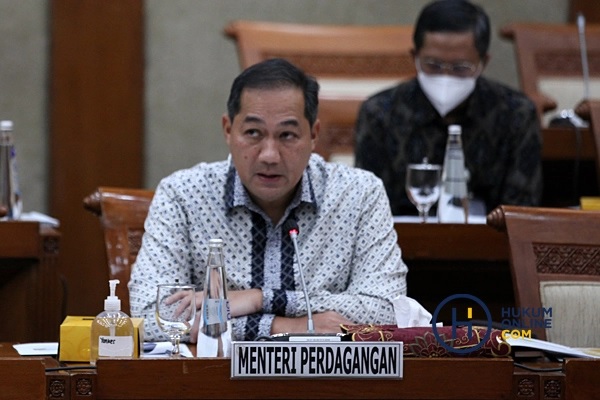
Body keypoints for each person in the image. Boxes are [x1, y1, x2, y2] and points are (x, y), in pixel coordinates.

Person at [129, 58, 408, 342]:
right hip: (216, 381)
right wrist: (285, 326)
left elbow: (389, 310)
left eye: (287, 135)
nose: (269, 156)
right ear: (228, 130)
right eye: (253, 133)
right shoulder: (183, 194)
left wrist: (259, 299)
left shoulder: (359, 194)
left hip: (325, 381)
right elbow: (150, 316)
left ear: (313, 135)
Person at [355, 0, 543, 216]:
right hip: (400, 244)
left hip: (490, 245)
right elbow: (369, 209)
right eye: (432, 65)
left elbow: (522, 212)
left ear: (483, 62)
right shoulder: (380, 113)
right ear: (414, 57)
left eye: (460, 67)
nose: (445, 76)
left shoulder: (516, 114)